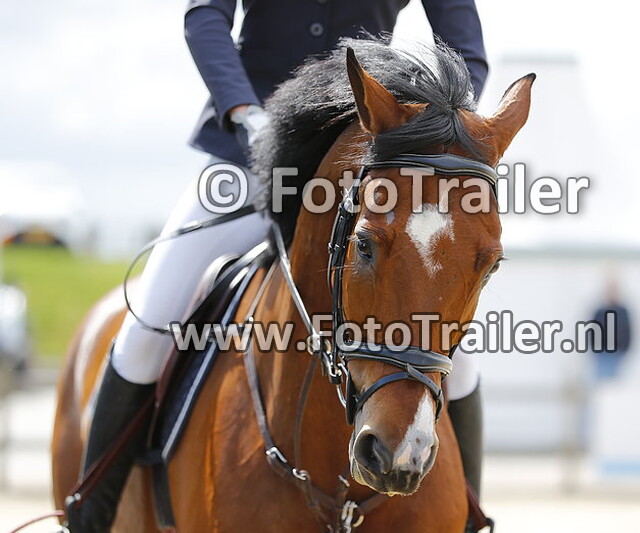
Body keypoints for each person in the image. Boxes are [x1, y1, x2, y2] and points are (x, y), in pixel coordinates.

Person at [67, 1, 489, 531]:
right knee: (148, 326)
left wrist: (431, 129)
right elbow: (205, 18)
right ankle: (89, 517)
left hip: (372, 164)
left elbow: (466, 50)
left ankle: (470, 514)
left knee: (459, 359)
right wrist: (245, 111)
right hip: (250, 156)